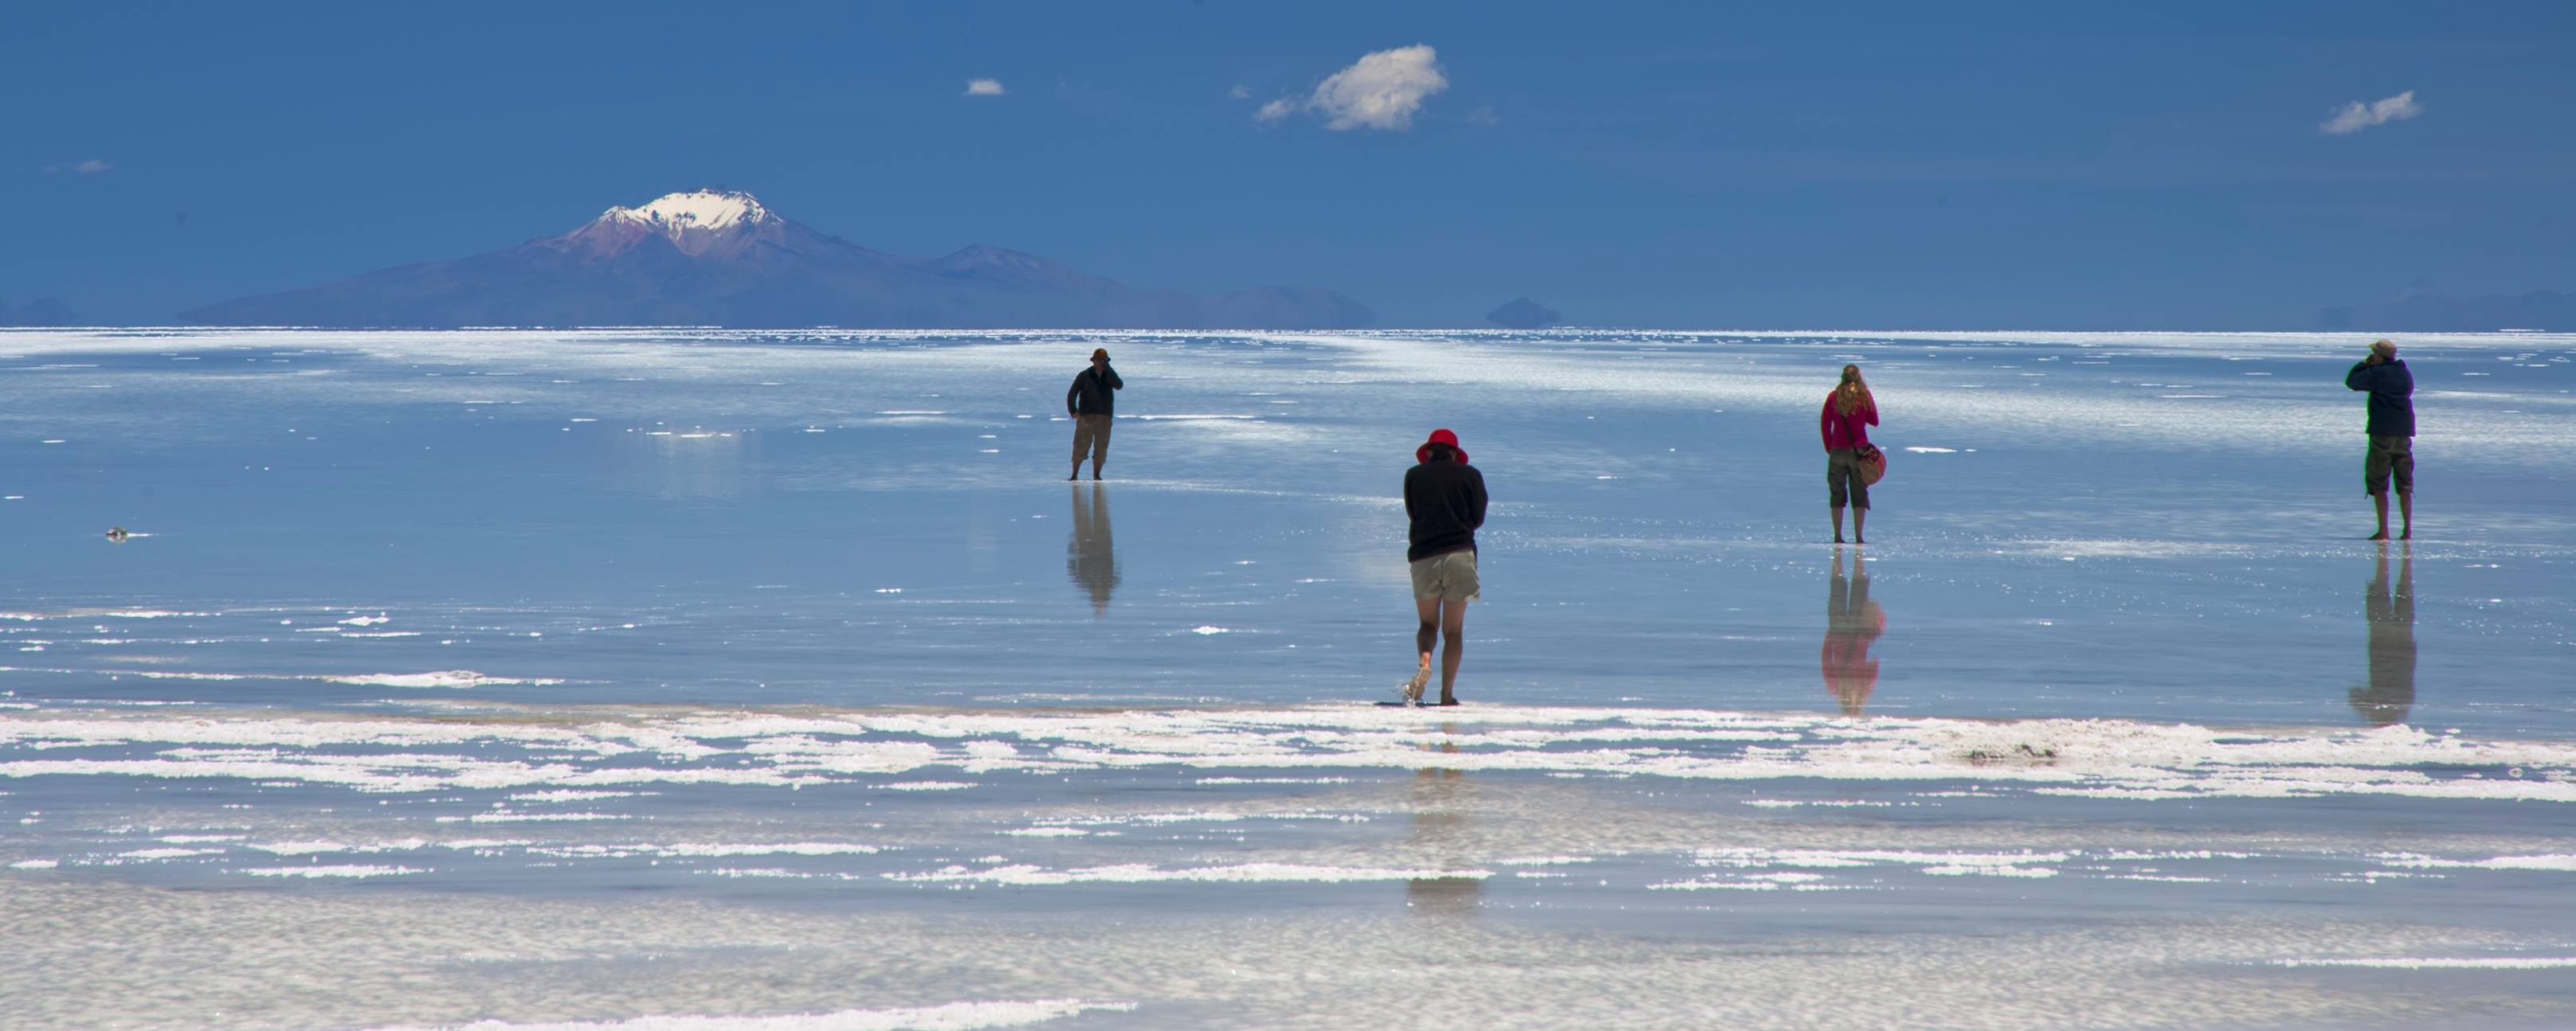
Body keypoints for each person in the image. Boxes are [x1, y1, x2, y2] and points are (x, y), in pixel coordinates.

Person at [1401, 428, 1487, 706]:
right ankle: (1446, 695)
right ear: (1453, 453)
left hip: (1424, 556)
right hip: (1459, 555)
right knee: (1453, 632)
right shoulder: (1471, 475)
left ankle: (1425, 662)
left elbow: (1413, 513)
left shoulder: (1413, 476)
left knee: (1427, 624)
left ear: (1428, 452)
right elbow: (1477, 518)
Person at [2345, 339, 2415, 540]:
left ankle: (2384, 530)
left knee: (2379, 483)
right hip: (2404, 433)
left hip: (2382, 433)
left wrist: (2365, 365)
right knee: (2405, 484)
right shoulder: (2405, 374)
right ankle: (2407, 530)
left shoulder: (2378, 373)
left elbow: (2352, 382)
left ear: (2379, 355)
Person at [2351, 542, 2415, 727]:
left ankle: (2390, 555)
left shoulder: (2403, 706)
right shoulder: (2402, 706)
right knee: (2399, 592)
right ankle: (2398, 554)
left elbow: (2354, 694)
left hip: (2391, 646)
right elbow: (2354, 695)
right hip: (2396, 647)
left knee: (2396, 592)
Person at [1820, 548, 1884, 716]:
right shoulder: (1835, 688)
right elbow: (1826, 661)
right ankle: (1846, 559)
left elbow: (1874, 666)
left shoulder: (1862, 689)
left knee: (1855, 590)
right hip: (1839, 631)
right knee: (1839, 591)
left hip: (1856, 631)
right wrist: (1829, 638)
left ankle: (1853, 558)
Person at [1820, 364, 1880, 544]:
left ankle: (1838, 536)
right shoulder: (1864, 396)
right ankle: (1859, 537)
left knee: (1837, 494)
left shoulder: (1833, 397)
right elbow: (1874, 421)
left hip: (1837, 450)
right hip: (1859, 452)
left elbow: (1825, 424)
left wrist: (1829, 447)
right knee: (1859, 495)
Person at [1066, 348, 1123, 481]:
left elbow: (1119, 385)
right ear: (1093, 361)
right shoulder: (1084, 375)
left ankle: (1097, 475)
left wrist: (1108, 369)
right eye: (1099, 360)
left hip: (1105, 417)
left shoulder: (1109, 376)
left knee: (1101, 448)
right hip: (1086, 417)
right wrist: (1073, 410)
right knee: (1080, 446)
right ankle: (1074, 474)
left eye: (1104, 360)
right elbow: (1072, 393)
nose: (1101, 362)